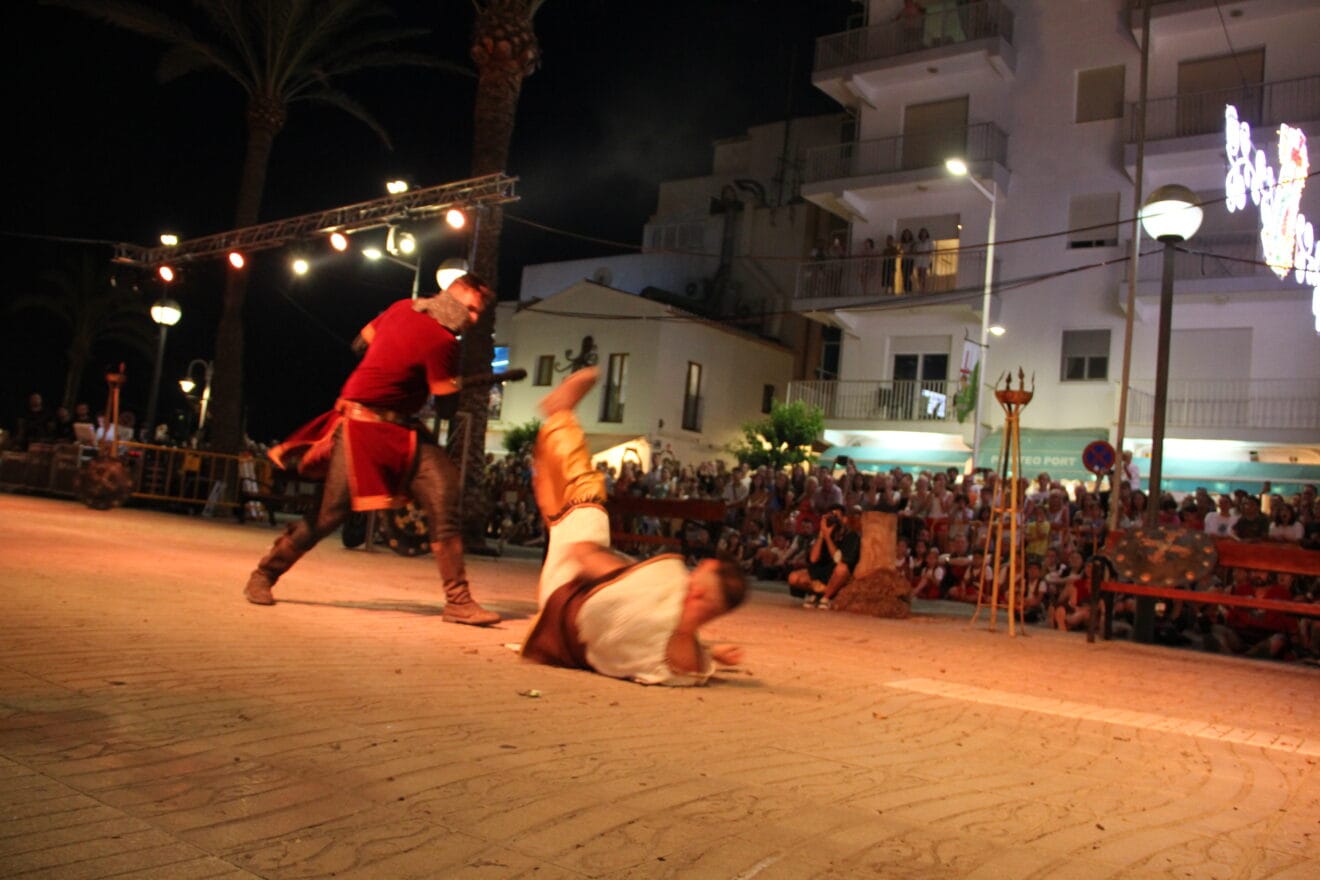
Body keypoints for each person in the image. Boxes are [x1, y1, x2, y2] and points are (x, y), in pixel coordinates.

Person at [242, 273, 501, 626]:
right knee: (329, 513)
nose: (472, 319)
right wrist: (449, 385)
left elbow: (359, 345)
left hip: (402, 428)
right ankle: (264, 574)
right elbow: (445, 409)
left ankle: (458, 601)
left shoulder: (399, 308)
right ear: (451, 300)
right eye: (470, 310)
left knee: (444, 488)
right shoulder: (443, 342)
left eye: (477, 313)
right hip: (362, 425)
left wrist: (397, 364)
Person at [520, 367, 747, 685]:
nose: (689, 575)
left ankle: (559, 415)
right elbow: (659, 628)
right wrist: (712, 652)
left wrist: (603, 557)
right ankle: (545, 460)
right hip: (568, 631)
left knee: (588, 502)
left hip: (566, 596)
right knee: (558, 510)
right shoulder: (689, 666)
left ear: (698, 595)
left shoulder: (661, 605)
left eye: (696, 575)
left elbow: (588, 558)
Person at [788, 503, 861, 609]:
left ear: (844, 519)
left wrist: (827, 537)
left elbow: (838, 560)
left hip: (837, 575)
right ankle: (821, 593)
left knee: (842, 569)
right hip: (821, 574)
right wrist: (822, 535)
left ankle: (824, 597)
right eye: (830, 516)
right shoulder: (822, 533)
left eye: (836, 516)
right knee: (793, 578)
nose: (833, 520)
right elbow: (813, 559)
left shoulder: (852, 536)